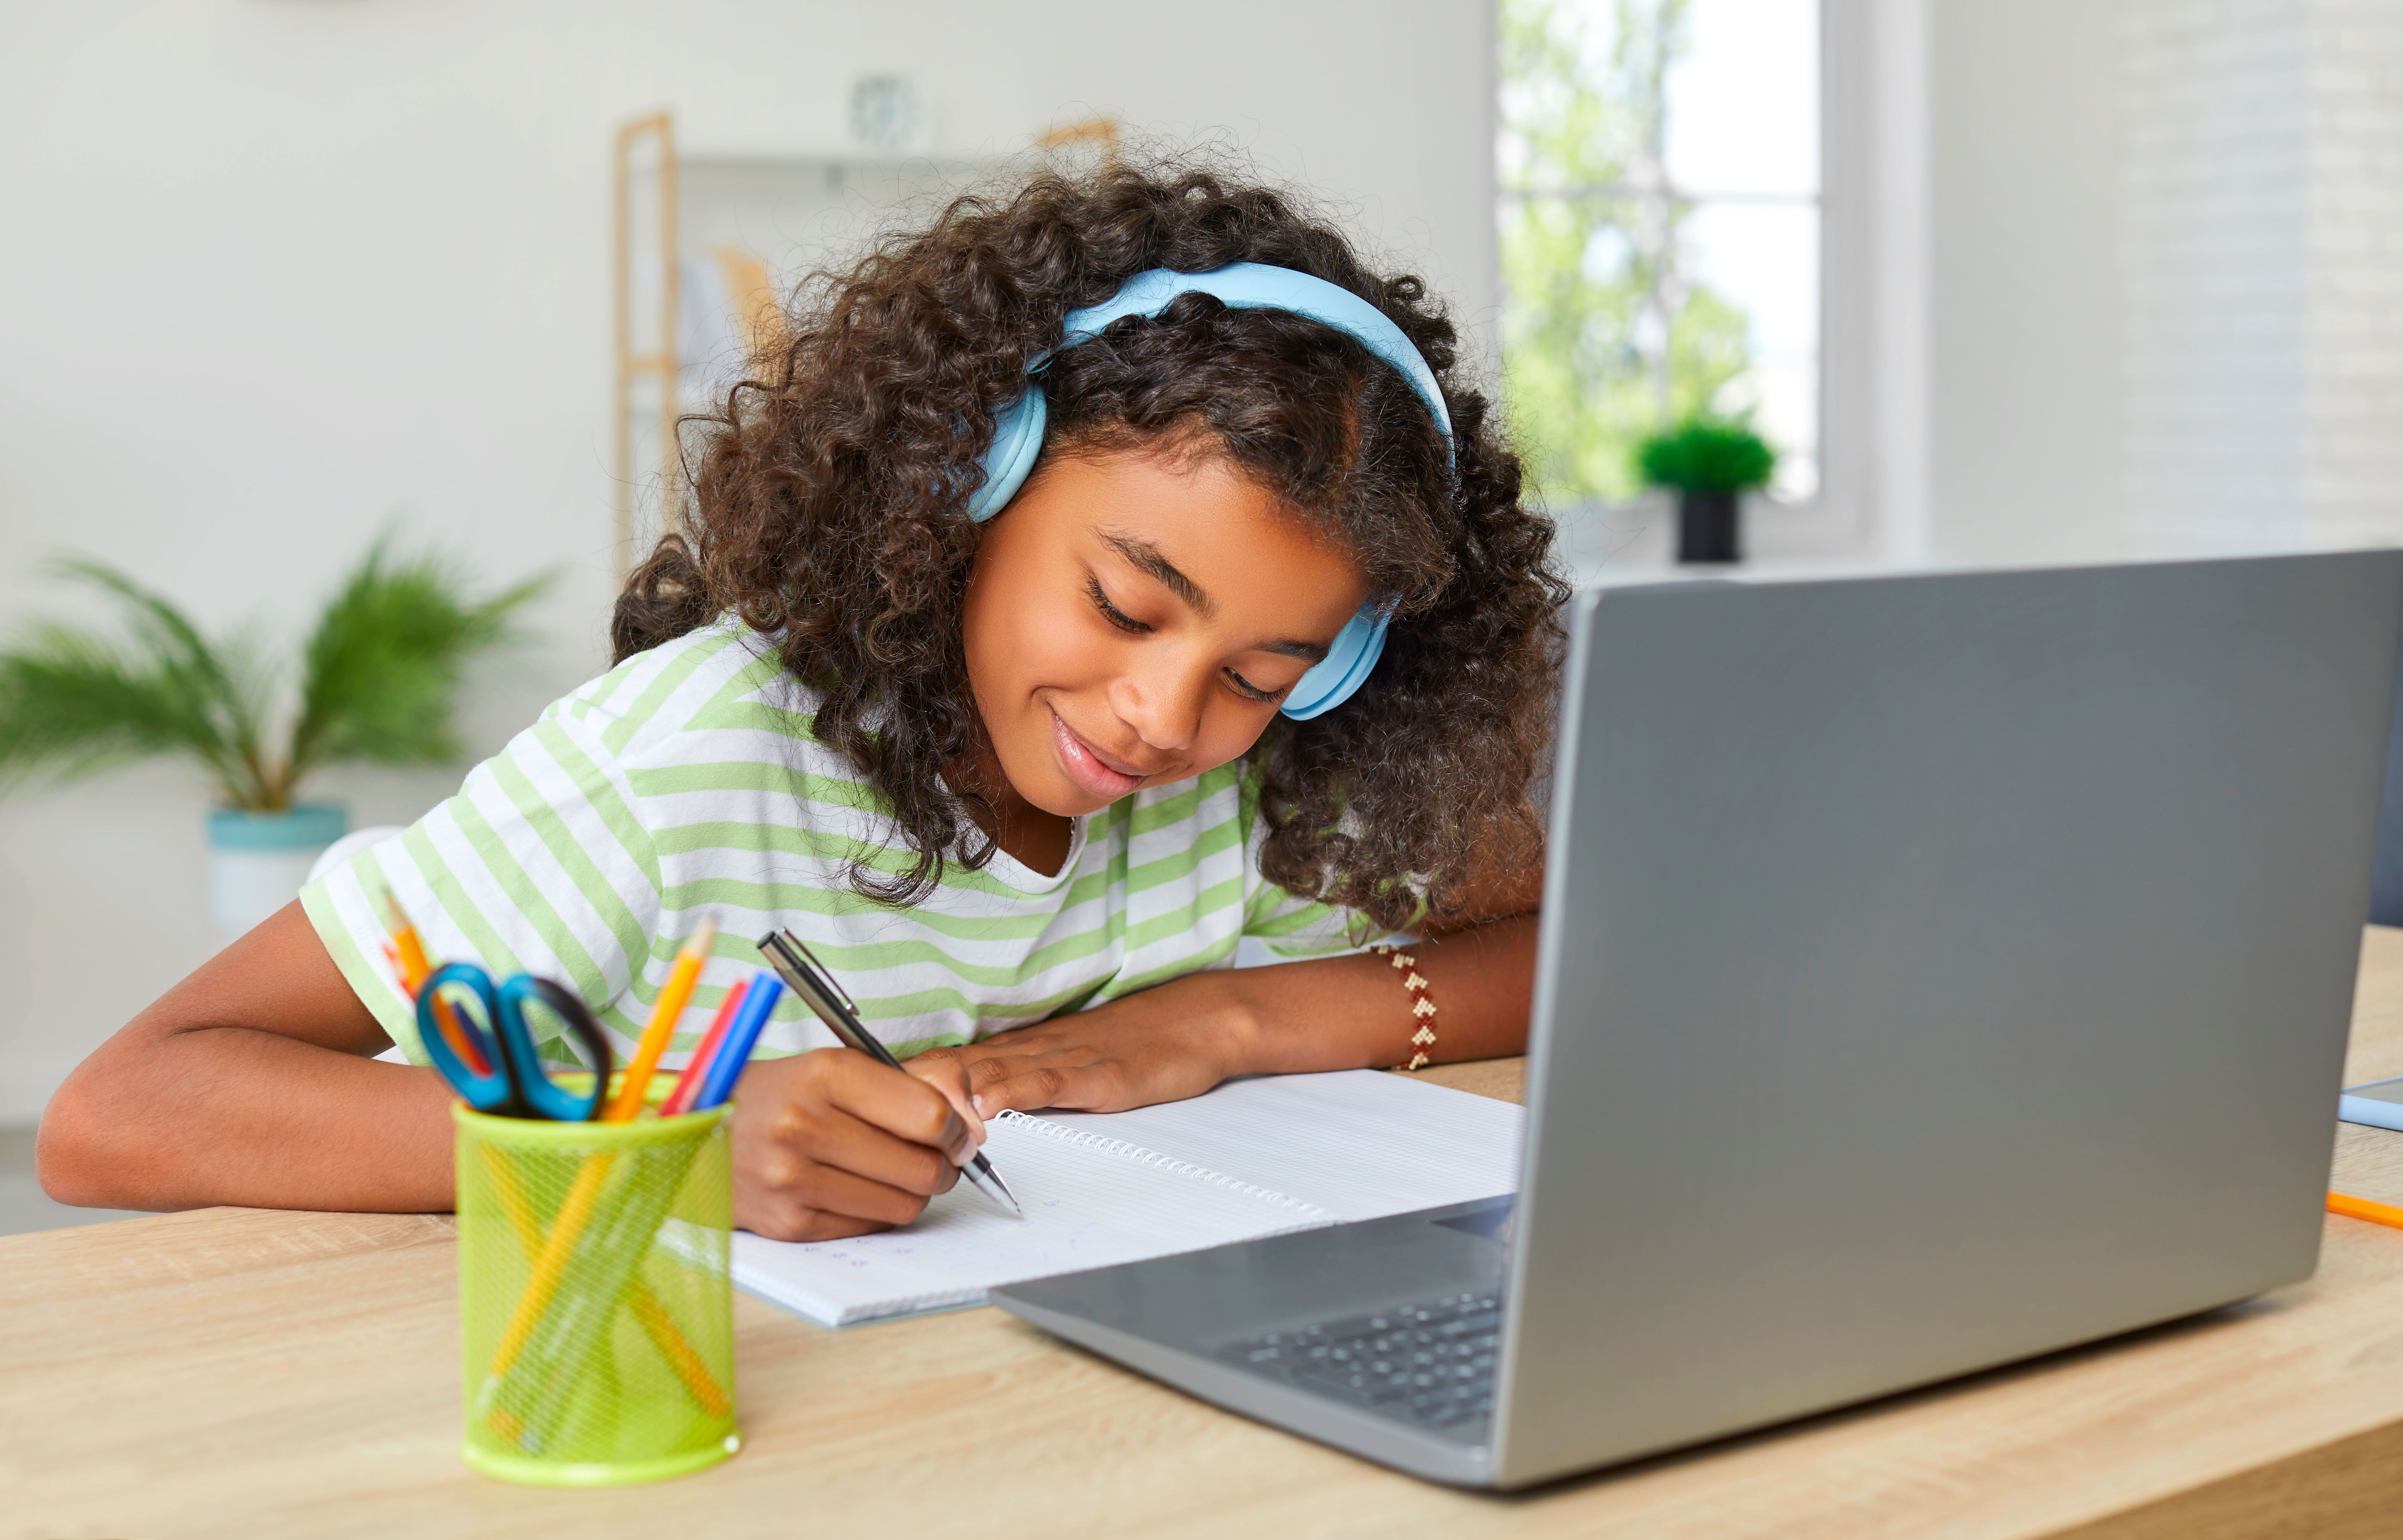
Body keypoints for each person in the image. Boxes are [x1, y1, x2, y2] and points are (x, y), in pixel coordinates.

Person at [38, 159, 1568, 1242]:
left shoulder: (1264, 786)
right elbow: (118, 1110)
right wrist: (661, 1155)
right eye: (1123, 602)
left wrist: (1230, 1014)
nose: (1166, 715)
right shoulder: (693, 756)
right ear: (971, 478)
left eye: (1264, 670)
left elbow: (1587, 930)